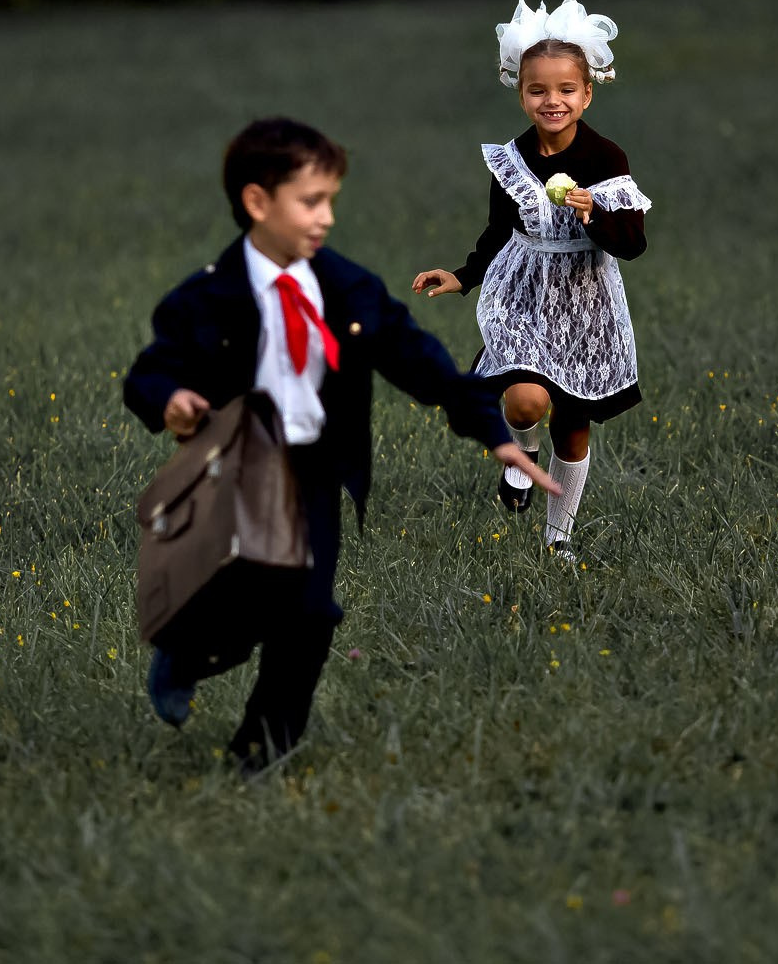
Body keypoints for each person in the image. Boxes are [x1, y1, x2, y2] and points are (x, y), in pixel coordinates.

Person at [123, 116, 556, 775]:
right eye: (311, 201)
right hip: (238, 467)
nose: (326, 217)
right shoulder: (209, 297)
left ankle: (259, 752)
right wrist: (171, 401)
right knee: (238, 596)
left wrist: (494, 434)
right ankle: (186, 652)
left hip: (315, 470)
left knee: (309, 614)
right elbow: (150, 372)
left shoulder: (345, 287)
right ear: (257, 203)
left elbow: (421, 361)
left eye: (331, 200)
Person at [412, 0, 651, 556]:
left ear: (586, 94)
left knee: (573, 420)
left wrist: (596, 213)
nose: (553, 101)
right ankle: (523, 454)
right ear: (521, 93)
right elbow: (498, 230)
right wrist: (463, 275)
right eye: (538, 90)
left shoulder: (606, 158)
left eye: (566, 90)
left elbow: (634, 244)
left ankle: (557, 536)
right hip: (521, 290)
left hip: (585, 299)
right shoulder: (513, 159)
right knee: (524, 401)